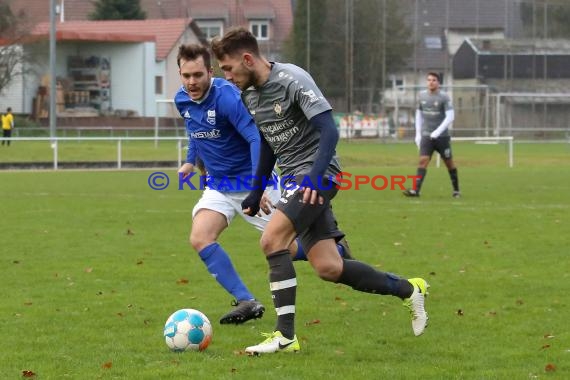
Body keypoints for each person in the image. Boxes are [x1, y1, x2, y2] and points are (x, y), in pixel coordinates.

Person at [211, 28, 429, 355]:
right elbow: (270, 142)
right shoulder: (249, 95)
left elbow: (329, 129)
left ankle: (285, 337)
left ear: (246, 59)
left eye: (228, 68)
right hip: (296, 180)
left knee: (272, 240)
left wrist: (314, 177)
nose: (226, 76)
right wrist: (256, 190)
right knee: (329, 267)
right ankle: (409, 290)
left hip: (319, 176)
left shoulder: (292, 79)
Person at [174, 44, 351, 325]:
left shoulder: (229, 98)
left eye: (197, 75)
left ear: (210, 72)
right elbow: (194, 131)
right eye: (186, 76)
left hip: (252, 182)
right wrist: (190, 160)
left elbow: (258, 138)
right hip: (219, 186)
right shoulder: (182, 99)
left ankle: (337, 251)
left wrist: (262, 185)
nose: (191, 82)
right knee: (200, 238)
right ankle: (247, 301)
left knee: (286, 248)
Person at [403, 72, 460, 198]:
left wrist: (437, 132)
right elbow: (419, 114)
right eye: (428, 80)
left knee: (449, 163)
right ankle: (415, 190)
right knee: (423, 161)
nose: (431, 82)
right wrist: (417, 134)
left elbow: (450, 116)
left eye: (434, 80)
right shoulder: (422, 96)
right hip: (426, 135)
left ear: (438, 82)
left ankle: (456, 190)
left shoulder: (444, 97)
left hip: (442, 137)